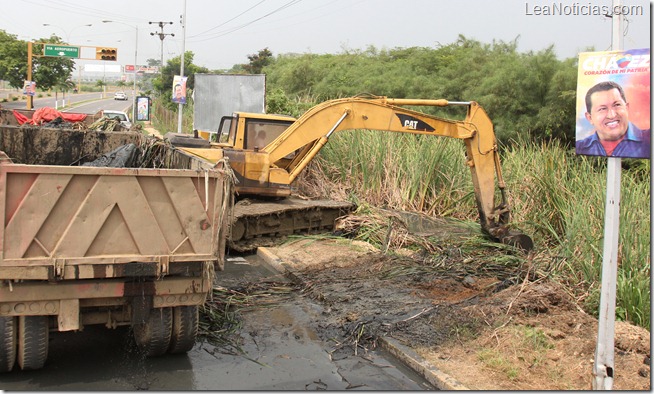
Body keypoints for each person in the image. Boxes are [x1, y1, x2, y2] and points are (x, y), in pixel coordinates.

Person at [576, 81, 650, 159]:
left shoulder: (649, 140)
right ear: (590, 118)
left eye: (617, 105)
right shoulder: (581, 147)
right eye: (602, 109)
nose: (611, 115)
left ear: (627, 108)